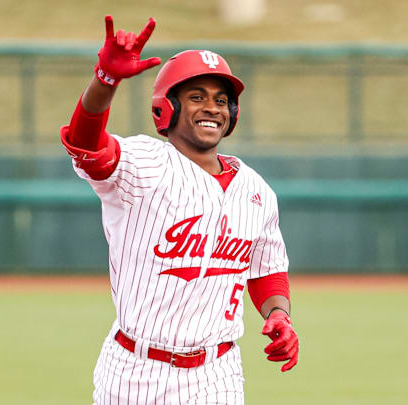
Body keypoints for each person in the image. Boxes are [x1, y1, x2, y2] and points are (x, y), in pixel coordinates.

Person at [60, 15, 299, 405]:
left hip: (217, 372)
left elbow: (266, 270)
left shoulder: (256, 190)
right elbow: (86, 145)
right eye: (197, 96)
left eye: (222, 100)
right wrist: (104, 81)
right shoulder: (143, 163)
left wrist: (279, 316)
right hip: (136, 370)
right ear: (166, 108)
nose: (213, 108)